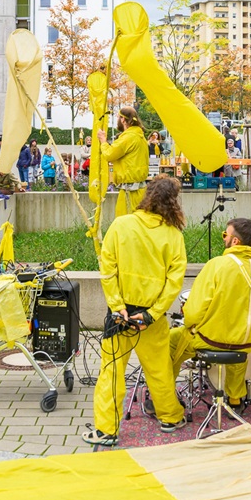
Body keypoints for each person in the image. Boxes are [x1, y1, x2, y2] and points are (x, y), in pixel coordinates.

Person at [84, 178, 188, 447]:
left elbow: (108, 269)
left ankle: (106, 431)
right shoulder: (173, 235)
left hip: (120, 316)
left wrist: (118, 307)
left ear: (146, 195)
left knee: (112, 372)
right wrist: (152, 314)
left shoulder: (121, 225)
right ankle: (170, 417)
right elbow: (173, 282)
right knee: (159, 369)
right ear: (173, 202)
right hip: (151, 318)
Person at [169, 218, 251, 409]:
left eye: (226, 234)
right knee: (237, 349)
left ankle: (166, 399)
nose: (223, 237)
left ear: (235, 241)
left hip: (212, 340)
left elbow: (195, 309)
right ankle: (235, 398)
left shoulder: (217, 265)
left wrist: (189, 325)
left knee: (167, 344)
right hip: (246, 341)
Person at [96, 107, 149, 216]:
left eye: (118, 118)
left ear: (123, 120)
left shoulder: (128, 138)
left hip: (129, 191)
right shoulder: (140, 136)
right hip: (140, 190)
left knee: (125, 225)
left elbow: (109, 154)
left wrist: (103, 141)